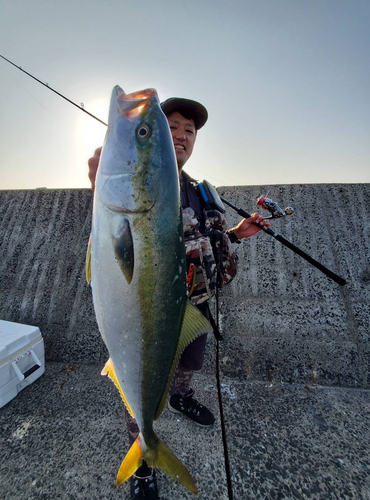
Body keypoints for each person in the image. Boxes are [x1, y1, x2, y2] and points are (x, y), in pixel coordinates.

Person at [88, 96, 269, 499]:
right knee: (141, 375)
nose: (182, 136)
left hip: (197, 305)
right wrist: (100, 177)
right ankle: (142, 451)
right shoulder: (144, 184)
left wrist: (237, 234)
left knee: (188, 364)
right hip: (149, 311)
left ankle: (182, 397)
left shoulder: (205, 192)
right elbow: (120, 225)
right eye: (171, 128)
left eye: (190, 130)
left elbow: (211, 242)